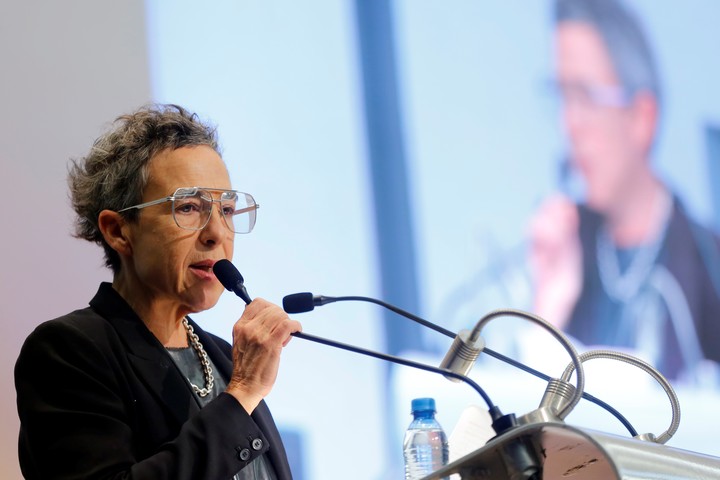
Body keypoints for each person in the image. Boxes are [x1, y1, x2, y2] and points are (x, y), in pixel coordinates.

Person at [14, 104, 302, 479]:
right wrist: (244, 392)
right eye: (188, 207)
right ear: (118, 230)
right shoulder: (69, 352)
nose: (217, 233)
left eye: (227, 210)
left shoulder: (223, 356)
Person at [529, 0, 720, 382]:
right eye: (562, 97)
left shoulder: (707, 263)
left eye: (585, 96)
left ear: (641, 118)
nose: (570, 124)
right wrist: (548, 303)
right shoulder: (562, 248)